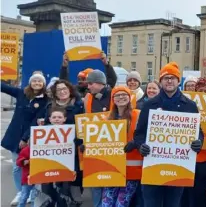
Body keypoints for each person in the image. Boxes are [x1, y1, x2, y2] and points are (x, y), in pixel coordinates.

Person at [134, 62, 204, 207]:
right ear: (161, 82)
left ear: (179, 81)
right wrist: (141, 146)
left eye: (173, 78)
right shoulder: (149, 105)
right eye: (166, 78)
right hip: (153, 166)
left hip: (177, 168)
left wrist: (198, 143)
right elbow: (139, 133)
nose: (169, 81)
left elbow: (199, 132)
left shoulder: (189, 105)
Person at [1, 72, 48, 206]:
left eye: (40, 81)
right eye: (35, 81)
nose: (37, 83)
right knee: (17, 166)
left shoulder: (44, 100)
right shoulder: (22, 93)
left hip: (31, 138)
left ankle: (32, 191)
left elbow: (35, 121)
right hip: (14, 135)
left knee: (32, 165)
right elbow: (3, 87)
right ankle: (21, 191)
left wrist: (26, 138)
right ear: (30, 82)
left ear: (43, 84)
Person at [101, 86, 143, 207]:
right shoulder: (106, 119)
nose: (121, 97)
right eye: (117, 95)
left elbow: (145, 135)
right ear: (113, 99)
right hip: (112, 169)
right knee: (106, 203)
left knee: (121, 204)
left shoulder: (138, 115)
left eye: (124, 95)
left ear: (129, 98)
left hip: (132, 170)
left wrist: (136, 142)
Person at [34, 107, 80, 207]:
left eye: (59, 117)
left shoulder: (72, 132)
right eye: (54, 117)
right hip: (47, 168)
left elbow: (77, 152)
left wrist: (78, 143)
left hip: (66, 167)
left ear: (64, 119)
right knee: (47, 191)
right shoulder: (41, 132)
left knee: (65, 193)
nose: (57, 119)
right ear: (49, 119)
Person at [181, 77, 206, 207]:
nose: (202, 93)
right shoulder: (186, 107)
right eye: (199, 90)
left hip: (205, 159)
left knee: (199, 193)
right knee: (185, 192)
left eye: (205, 91)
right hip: (187, 156)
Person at [83, 70, 113, 207]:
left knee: (109, 181)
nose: (88, 87)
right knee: (95, 183)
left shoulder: (115, 95)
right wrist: (83, 141)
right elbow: (84, 121)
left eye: (91, 83)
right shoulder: (88, 98)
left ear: (101, 83)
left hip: (111, 146)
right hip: (93, 146)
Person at [16, 142, 35, 207]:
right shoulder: (25, 150)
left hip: (37, 178)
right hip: (27, 178)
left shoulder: (40, 149)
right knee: (24, 196)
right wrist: (23, 161)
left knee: (34, 197)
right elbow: (18, 161)